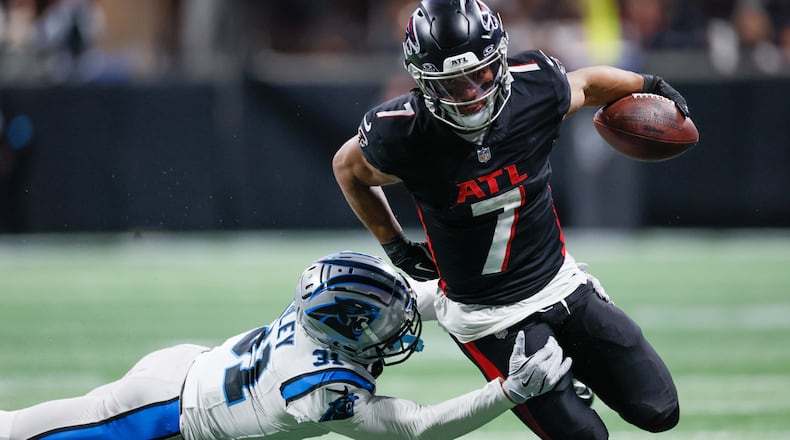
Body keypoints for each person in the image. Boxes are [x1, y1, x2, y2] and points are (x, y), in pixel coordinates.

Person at [332, 1, 686, 438]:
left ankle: (567, 368)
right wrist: (395, 246)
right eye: (452, 83)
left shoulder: (533, 89)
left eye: (478, 74)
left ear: (499, 58)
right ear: (423, 82)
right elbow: (347, 168)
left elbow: (590, 84)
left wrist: (648, 84)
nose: (470, 92)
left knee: (660, 409)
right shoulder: (401, 134)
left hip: (560, 283)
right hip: (488, 318)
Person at [0, 251, 572, 440]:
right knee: (25, 432)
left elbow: (418, 295)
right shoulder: (321, 390)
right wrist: (509, 392)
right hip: (165, 412)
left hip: (195, 369)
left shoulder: (326, 311)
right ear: (349, 327)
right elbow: (417, 427)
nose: (399, 321)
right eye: (379, 319)